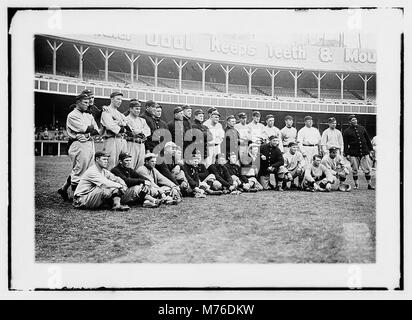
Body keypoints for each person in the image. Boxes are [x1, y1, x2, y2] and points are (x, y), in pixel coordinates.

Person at [60, 92, 100, 197]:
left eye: (88, 102)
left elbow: (97, 130)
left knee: (89, 168)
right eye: (85, 102)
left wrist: (89, 132)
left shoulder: (88, 114)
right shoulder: (72, 115)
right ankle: (75, 195)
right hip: (78, 144)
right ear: (78, 102)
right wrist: (90, 128)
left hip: (89, 143)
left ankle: (81, 192)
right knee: (79, 169)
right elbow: (86, 128)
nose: (88, 104)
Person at [342, 114, 375, 190]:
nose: (355, 121)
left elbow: (367, 139)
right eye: (353, 120)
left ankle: (369, 184)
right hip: (353, 153)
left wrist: (371, 149)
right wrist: (346, 154)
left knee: (367, 169)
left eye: (355, 119)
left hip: (364, 152)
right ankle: (356, 185)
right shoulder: (346, 131)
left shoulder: (362, 128)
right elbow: (346, 144)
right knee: (355, 170)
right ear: (349, 122)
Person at [100, 91, 129, 170]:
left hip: (122, 140)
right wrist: (120, 124)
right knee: (111, 164)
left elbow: (126, 125)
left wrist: (118, 123)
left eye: (121, 100)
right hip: (111, 139)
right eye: (118, 99)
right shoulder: (106, 111)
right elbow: (110, 126)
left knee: (123, 164)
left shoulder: (120, 114)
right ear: (112, 99)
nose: (120, 101)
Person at [125, 99, 151, 170]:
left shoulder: (142, 120)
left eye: (139, 109)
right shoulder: (126, 119)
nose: (138, 111)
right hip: (131, 144)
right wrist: (140, 132)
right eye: (136, 109)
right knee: (130, 165)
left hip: (141, 144)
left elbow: (148, 131)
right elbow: (133, 131)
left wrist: (141, 132)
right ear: (130, 109)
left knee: (140, 166)